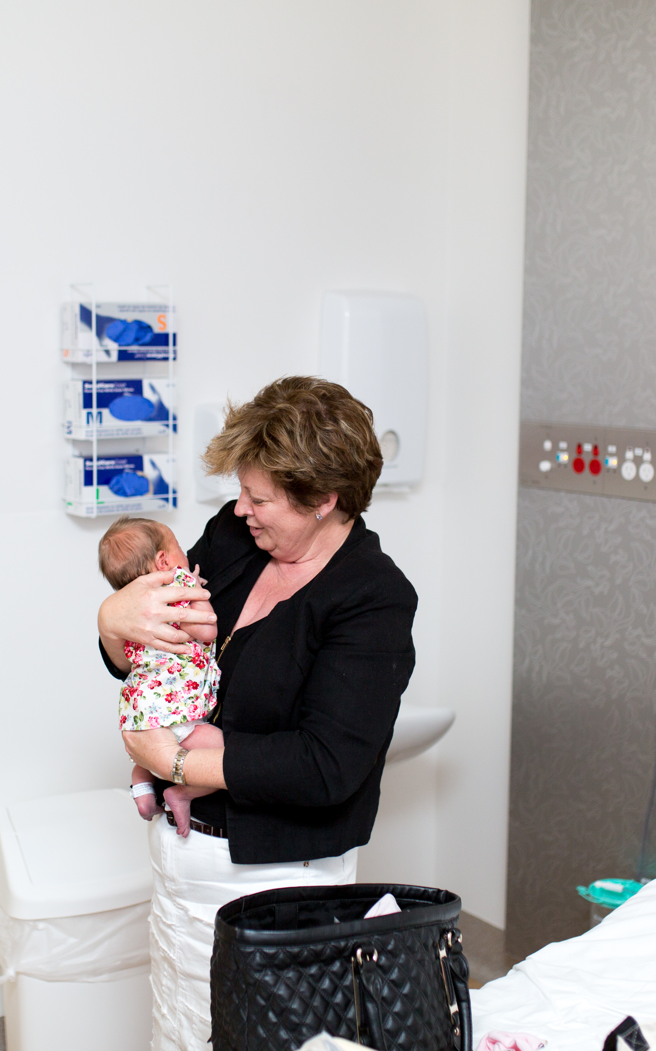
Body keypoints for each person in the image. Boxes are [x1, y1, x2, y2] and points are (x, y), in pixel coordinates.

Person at [96, 376, 417, 1051]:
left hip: (279, 881)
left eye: (260, 498)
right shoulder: (235, 538)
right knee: (180, 1032)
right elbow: (155, 651)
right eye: (242, 490)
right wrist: (111, 620)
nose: (240, 508)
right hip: (182, 861)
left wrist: (174, 762)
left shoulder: (373, 598)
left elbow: (327, 765)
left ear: (324, 500)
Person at [97, 516, 224, 835]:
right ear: (164, 561)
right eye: (180, 547)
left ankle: (142, 791)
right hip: (175, 709)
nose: (188, 554)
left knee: (147, 757)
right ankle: (182, 793)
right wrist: (196, 592)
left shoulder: (132, 603)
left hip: (141, 707)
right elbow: (207, 631)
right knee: (224, 753)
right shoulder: (177, 589)